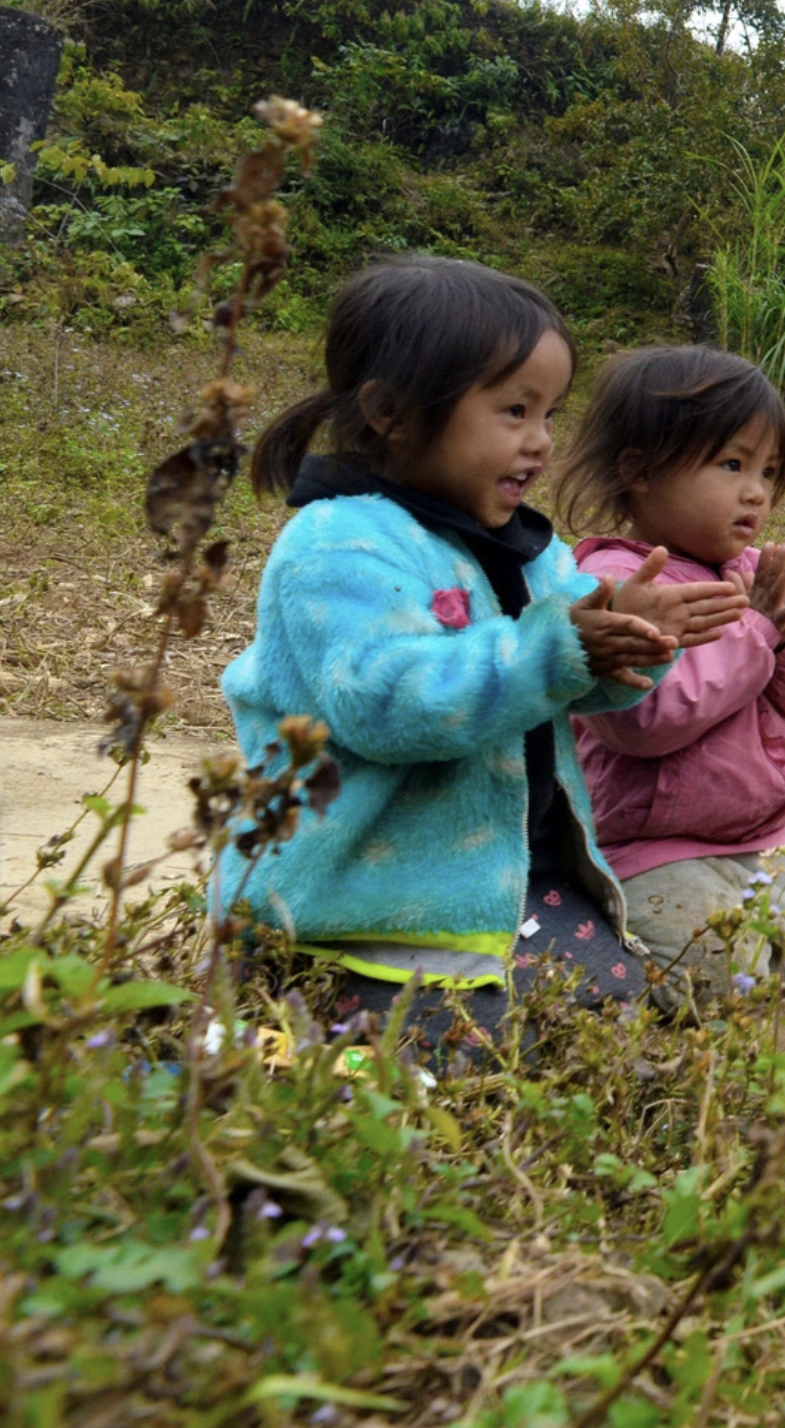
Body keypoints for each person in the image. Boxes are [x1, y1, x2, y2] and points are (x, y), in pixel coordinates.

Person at [220, 257, 747, 1047]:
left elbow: (580, 683)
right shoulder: (339, 544)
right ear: (392, 411)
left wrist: (635, 639)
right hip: (362, 896)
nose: (539, 443)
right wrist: (561, 646)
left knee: (616, 1013)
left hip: (501, 877)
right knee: (457, 1062)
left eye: (549, 414)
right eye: (513, 411)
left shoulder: (526, 547)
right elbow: (390, 704)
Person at [554, 346, 785, 1006]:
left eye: (768, 471)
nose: (756, 491)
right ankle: (585, 928)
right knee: (711, 973)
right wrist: (756, 634)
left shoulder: (744, 572)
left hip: (750, 839)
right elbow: (645, 720)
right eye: (731, 464)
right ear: (640, 470)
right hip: (646, 843)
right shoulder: (619, 581)